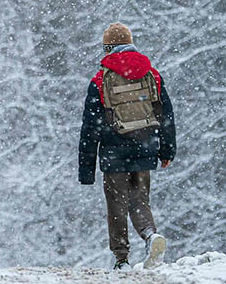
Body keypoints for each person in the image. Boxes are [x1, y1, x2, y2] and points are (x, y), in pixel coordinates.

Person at [78, 23, 175, 270]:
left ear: (108, 47)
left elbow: (90, 127)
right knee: (140, 201)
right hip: (145, 147)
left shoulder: (100, 80)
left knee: (116, 205)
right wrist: (167, 149)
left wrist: (86, 168)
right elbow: (165, 113)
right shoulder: (151, 74)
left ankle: (122, 259)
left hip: (113, 153)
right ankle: (151, 235)